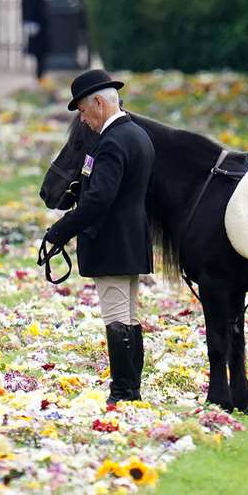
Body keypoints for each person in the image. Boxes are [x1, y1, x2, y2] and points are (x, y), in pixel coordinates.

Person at [42, 69, 156, 403]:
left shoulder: (111, 142)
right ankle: (131, 388)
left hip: (110, 240)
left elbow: (98, 200)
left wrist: (60, 231)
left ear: (97, 103)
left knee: (117, 317)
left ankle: (123, 393)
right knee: (130, 317)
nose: (82, 119)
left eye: (81, 110)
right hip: (131, 238)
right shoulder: (137, 134)